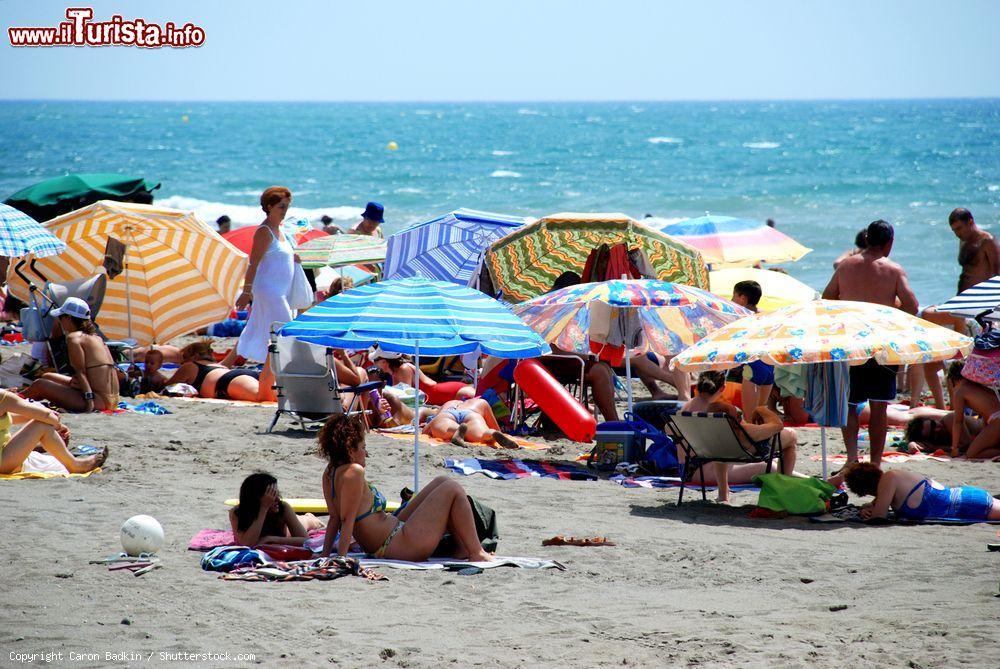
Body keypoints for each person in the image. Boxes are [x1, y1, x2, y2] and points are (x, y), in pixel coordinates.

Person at [319, 415, 492, 561]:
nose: (366, 453)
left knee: (441, 481)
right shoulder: (354, 472)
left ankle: (462, 548)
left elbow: (334, 518)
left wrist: (324, 555)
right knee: (452, 488)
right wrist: (341, 559)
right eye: (363, 447)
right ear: (350, 450)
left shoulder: (329, 473)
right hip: (396, 544)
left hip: (391, 535)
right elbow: (346, 521)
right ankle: (476, 552)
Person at [822, 219, 919, 466]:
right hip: (880, 345)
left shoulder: (846, 266)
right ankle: (875, 462)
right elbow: (912, 307)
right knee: (879, 407)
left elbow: (827, 298)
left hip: (851, 344)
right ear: (889, 243)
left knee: (850, 404)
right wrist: (890, 307)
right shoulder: (893, 270)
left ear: (866, 240)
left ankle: (852, 458)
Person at [680, 371, 798, 502]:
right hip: (737, 452)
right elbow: (777, 426)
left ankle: (723, 494)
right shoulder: (726, 415)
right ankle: (784, 488)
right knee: (792, 436)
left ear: (697, 386)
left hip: (702, 457)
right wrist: (762, 410)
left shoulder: (684, 412)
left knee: (721, 444)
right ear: (723, 388)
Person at [222, 187, 301, 367]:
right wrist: (245, 292)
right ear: (269, 206)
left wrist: (293, 257)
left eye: (287, 207)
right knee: (285, 329)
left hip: (281, 290)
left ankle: (228, 363)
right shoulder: (264, 231)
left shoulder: (281, 230)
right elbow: (253, 263)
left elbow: (279, 257)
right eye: (281, 207)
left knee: (255, 328)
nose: (285, 211)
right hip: (269, 291)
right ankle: (283, 368)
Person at [24, 298, 120, 412]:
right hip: (113, 400)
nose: (59, 321)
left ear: (68, 318)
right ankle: (23, 395)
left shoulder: (74, 338)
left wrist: (89, 403)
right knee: (47, 376)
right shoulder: (97, 338)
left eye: (60, 317)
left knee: (39, 385)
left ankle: (16, 398)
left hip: (97, 400)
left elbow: (81, 372)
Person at [842, 462, 1000, 521]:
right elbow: (875, 506)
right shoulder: (891, 479)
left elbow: (879, 516)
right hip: (965, 500)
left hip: (967, 505)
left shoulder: (889, 479)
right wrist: (865, 509)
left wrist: (869, 513)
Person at [0, 389, 107, 474]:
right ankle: (74, 465)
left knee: (41, 423)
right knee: (42, 425)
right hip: (3, 463)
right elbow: (47, 416)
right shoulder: (3, 397)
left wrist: (35, 416)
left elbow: (10, 418)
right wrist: (58, 426)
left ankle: (46, 445)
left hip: (4, 457)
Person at [229, 472, 323, 546]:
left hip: (289, 529)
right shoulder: (236, 513)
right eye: (272, 496)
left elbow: (306, 540)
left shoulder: (284, 508)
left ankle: (310, 517)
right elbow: (247, 544)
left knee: (307, 521)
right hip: (260, 510)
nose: (277, 499)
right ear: (257, 498)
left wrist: (271, 539)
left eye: (277, 494)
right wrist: (263, 508)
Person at [164, 340, 276, 402]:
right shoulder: (219, 366)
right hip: (241, 376)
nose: (181, 364)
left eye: (184, 359)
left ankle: (272, 352)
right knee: (277, 397)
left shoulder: (190, 366)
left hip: (227, 382)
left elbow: (166, 386)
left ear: (195, 356)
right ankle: (272, 356)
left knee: (263, 397)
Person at [369, 345, 473, 405]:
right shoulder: (397, 372)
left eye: (375, 360)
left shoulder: (404, 369)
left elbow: (404, 399)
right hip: (447, 394)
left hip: (455, 392)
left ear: (383, 361)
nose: (374, 364)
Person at [731, 280, 773, 411]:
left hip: (752, 366)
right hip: (769, 367)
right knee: (761, 411)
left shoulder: (740, 318)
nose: (731, 299)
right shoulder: (768, 315)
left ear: (742, 298)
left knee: (749, 416)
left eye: (734, 296)